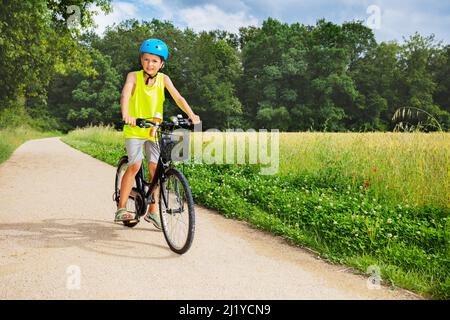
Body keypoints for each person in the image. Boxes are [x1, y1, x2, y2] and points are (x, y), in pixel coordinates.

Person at [115, 38, 201, 229]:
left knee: (156, 170)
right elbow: (126, 94)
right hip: (135, 129)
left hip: (154, 130)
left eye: (155, 61)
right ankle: (121, 208)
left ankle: (153, 212)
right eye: (146, 60)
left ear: (162, 64)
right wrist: (126, 114)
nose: (150, 64)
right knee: (135, 165)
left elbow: (178, 97)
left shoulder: (164, 79)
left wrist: (191, 114)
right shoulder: (133, 76)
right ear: (141, 60)